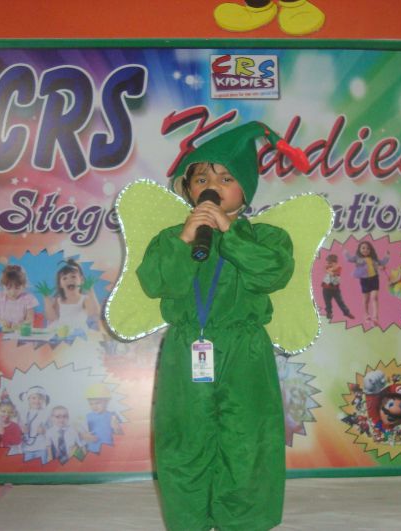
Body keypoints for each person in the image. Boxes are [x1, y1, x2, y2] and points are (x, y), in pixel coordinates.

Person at [136, 121, 305, 530]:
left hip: (244, 350)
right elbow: (157, 283)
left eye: (226, 179)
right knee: (184, 437)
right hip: (187, 347)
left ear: (246, 189)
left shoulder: (266, 237)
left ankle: (243, 522)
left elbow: (272, 273)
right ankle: (189, 521)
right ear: (188, 189)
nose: (212, 187)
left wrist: (229, 234)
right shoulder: (172, 238)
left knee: (248, 438)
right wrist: (184, 239)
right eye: (201, 179)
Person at [44, 259, 100, 336]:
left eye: (73, 277)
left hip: (79, 332)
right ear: (60, 284)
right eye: (64, 278)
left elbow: (94, 312)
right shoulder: (58, 300)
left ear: (81, 280)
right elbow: (52, 318)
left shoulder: (84, 299)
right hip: (62, 331)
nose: (69, 280)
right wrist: (46, 298)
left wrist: (90, 291)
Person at [346, 240, 389, 325]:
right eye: (363, 248)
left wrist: (386, 257)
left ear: (370, 250)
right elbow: (349, 259)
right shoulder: (358, 258)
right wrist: (345, 251)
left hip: (374, 279)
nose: (365, 250)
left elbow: (381, 263)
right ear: (359, 249)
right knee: (366, 299)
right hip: (364, 280)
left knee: (374, 297)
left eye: (368, 248)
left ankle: (375, 317)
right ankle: (366, 314)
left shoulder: (373, 259)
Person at [0, 264, 38, 331]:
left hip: (20, 332)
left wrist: (20, 325)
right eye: (8, 288)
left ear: (24, 286)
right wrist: (0, 321)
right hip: (2, 332)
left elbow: (30, 320)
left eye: (17, 288)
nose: (12, 292)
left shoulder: (28, 299)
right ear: (2, 286)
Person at [80, 383, 122, 454]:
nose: (94, 406)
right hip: (92, 451)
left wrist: (116, 428)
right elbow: (82, 434)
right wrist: (84, 436)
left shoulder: (113, 416)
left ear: (107, 401)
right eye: (91, 404)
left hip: (109, 451)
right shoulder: (87, 417)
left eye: (97, 403)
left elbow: (121, 435)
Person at [18, 385, 50, 463]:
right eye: (34, 398)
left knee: (41, 468)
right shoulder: (22, 414)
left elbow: (53, 431)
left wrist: (44, 431)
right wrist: (21, 431)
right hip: (26, 448)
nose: (37, 401)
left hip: (41, 448)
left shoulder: (47, 414)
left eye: (40, 398)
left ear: (44, 400)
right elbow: (16, 431)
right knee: (27, 469)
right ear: (28, 399)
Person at [321, 253, 354, 320]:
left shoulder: (339, 268)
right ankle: (329, 313)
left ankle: (346, 313)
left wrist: (330, 270)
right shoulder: (327, 267)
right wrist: (328, 269)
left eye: (331, 263)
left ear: (335, 262)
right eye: (328, 263)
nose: (329, 264)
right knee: (327, 302)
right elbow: (325, 269)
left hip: (335, 289)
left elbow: (333, 274)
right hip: (326, 288)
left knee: (340, 302)